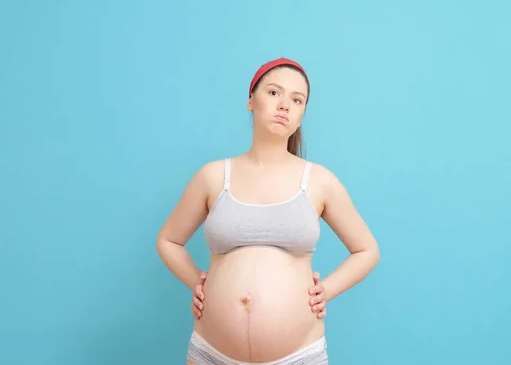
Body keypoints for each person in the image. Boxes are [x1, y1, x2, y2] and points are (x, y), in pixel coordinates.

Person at [156, 58, 380, 365]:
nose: (285, 105)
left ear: (301, 115)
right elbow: (168, 240)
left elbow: (367, 250)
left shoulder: (319, 181)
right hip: (211, 352)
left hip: (300, 355)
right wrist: (198, 282)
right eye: (274, 93)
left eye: (296, 99)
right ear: (251, 101)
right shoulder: (213, 176)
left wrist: (325, 290)